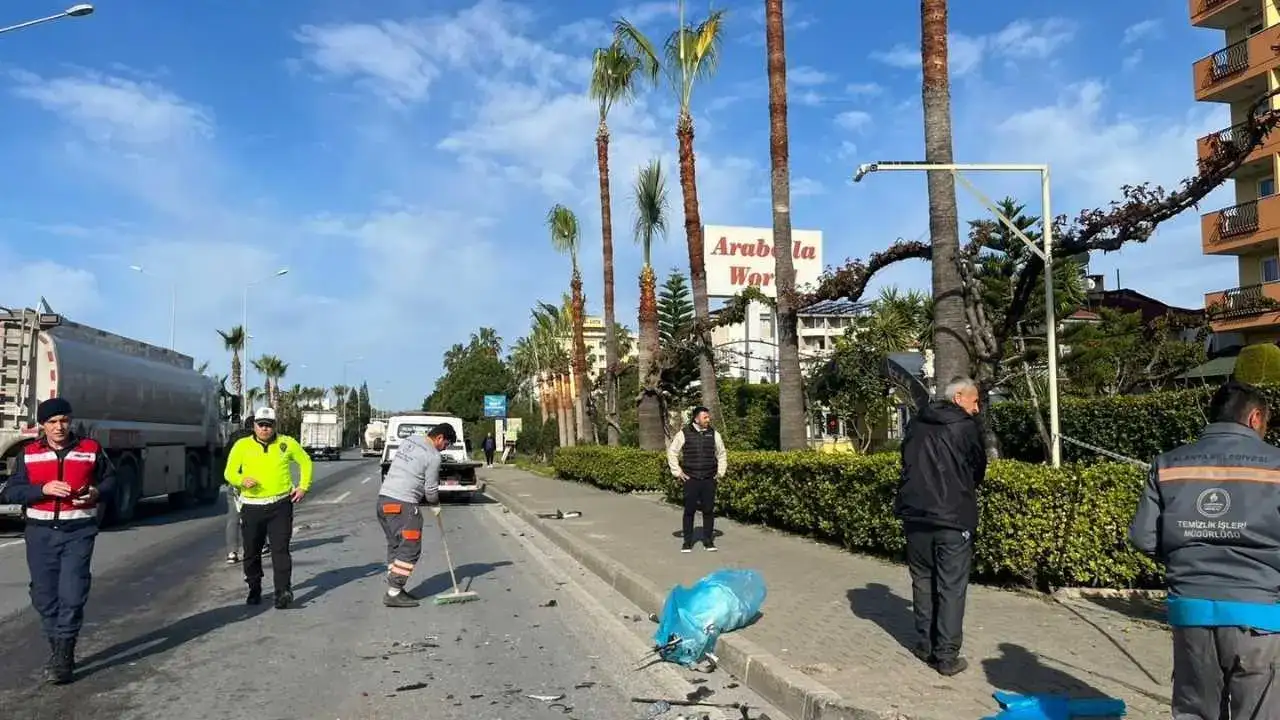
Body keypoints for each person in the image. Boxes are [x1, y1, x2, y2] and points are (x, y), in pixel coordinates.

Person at [1130, 380, 1280, 718]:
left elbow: (1143, 537)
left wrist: (1187, 558)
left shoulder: (1169, 464)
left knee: (1195, 711)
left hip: (1191, 610)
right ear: (1255, 418)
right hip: (1260, 614)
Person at [0, 398, 115, 684]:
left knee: (73, 593)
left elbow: (112, 481)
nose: (58, 426)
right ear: (43, 425)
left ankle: (63, 655)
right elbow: (10, 492)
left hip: (79, 531)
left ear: (71, 421)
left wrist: (96, 493)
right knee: (43, 596)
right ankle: (58, 647)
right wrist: (42, 489)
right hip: (40, 532)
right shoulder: (29, 454)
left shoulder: (90, 449)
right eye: (52, 422)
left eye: (63, 420)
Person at [894, 377, 986, 677]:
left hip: (916, 515)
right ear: (959, 397)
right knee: (951, 586)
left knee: (922, 579)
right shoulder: (965, 427)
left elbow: (905, 460)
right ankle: (946, 656)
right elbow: (978, 467)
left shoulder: (917, 423)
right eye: (974, 401)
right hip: (952, 517)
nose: (977, 408)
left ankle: (925, 644)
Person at [223, 406, 313, 609]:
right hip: (251, 506)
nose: (264, 429)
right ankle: (254, 587)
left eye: (269, 425)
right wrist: (240, 480)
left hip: (280, 505)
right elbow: (229, 472)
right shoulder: (242, 445)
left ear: (275, 426)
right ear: (254, 426)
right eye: (261, 425)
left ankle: (283, 592)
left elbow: (305, 462)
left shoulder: (286, 443)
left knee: (280, 550)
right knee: (251, 552)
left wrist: (303, 486)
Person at [375, 423, 455, 607]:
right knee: (410, 546)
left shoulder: (409, 440)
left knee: (396, 545)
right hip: (403, 504)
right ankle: (394, 592)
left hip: (383, 501)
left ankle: (395, 585)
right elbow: (431, 489)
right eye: (447, 444)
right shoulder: (433, 456)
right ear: (440, 438)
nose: (445, 449)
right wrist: (435, 505)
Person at [666, 406, 727, 553]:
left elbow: (722, 454)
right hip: (691, 479)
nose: (708, 419)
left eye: (708, 416)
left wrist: (720, 472)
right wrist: (678, 472)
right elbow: (672, 452)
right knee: (689, 511)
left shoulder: (714, 434)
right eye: (705, 417)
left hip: (708, 479)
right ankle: (687, 542)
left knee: (708, 510)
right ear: (696, 419)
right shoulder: (684, 434)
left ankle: (708, 541)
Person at [223, 414, 255, 564]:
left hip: (235, 481)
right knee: (259, 515)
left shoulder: (234, 437)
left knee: (233, 518)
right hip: (253, 483)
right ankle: (260, 546)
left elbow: (224, 457)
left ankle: (232, 552)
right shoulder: (257, 441)